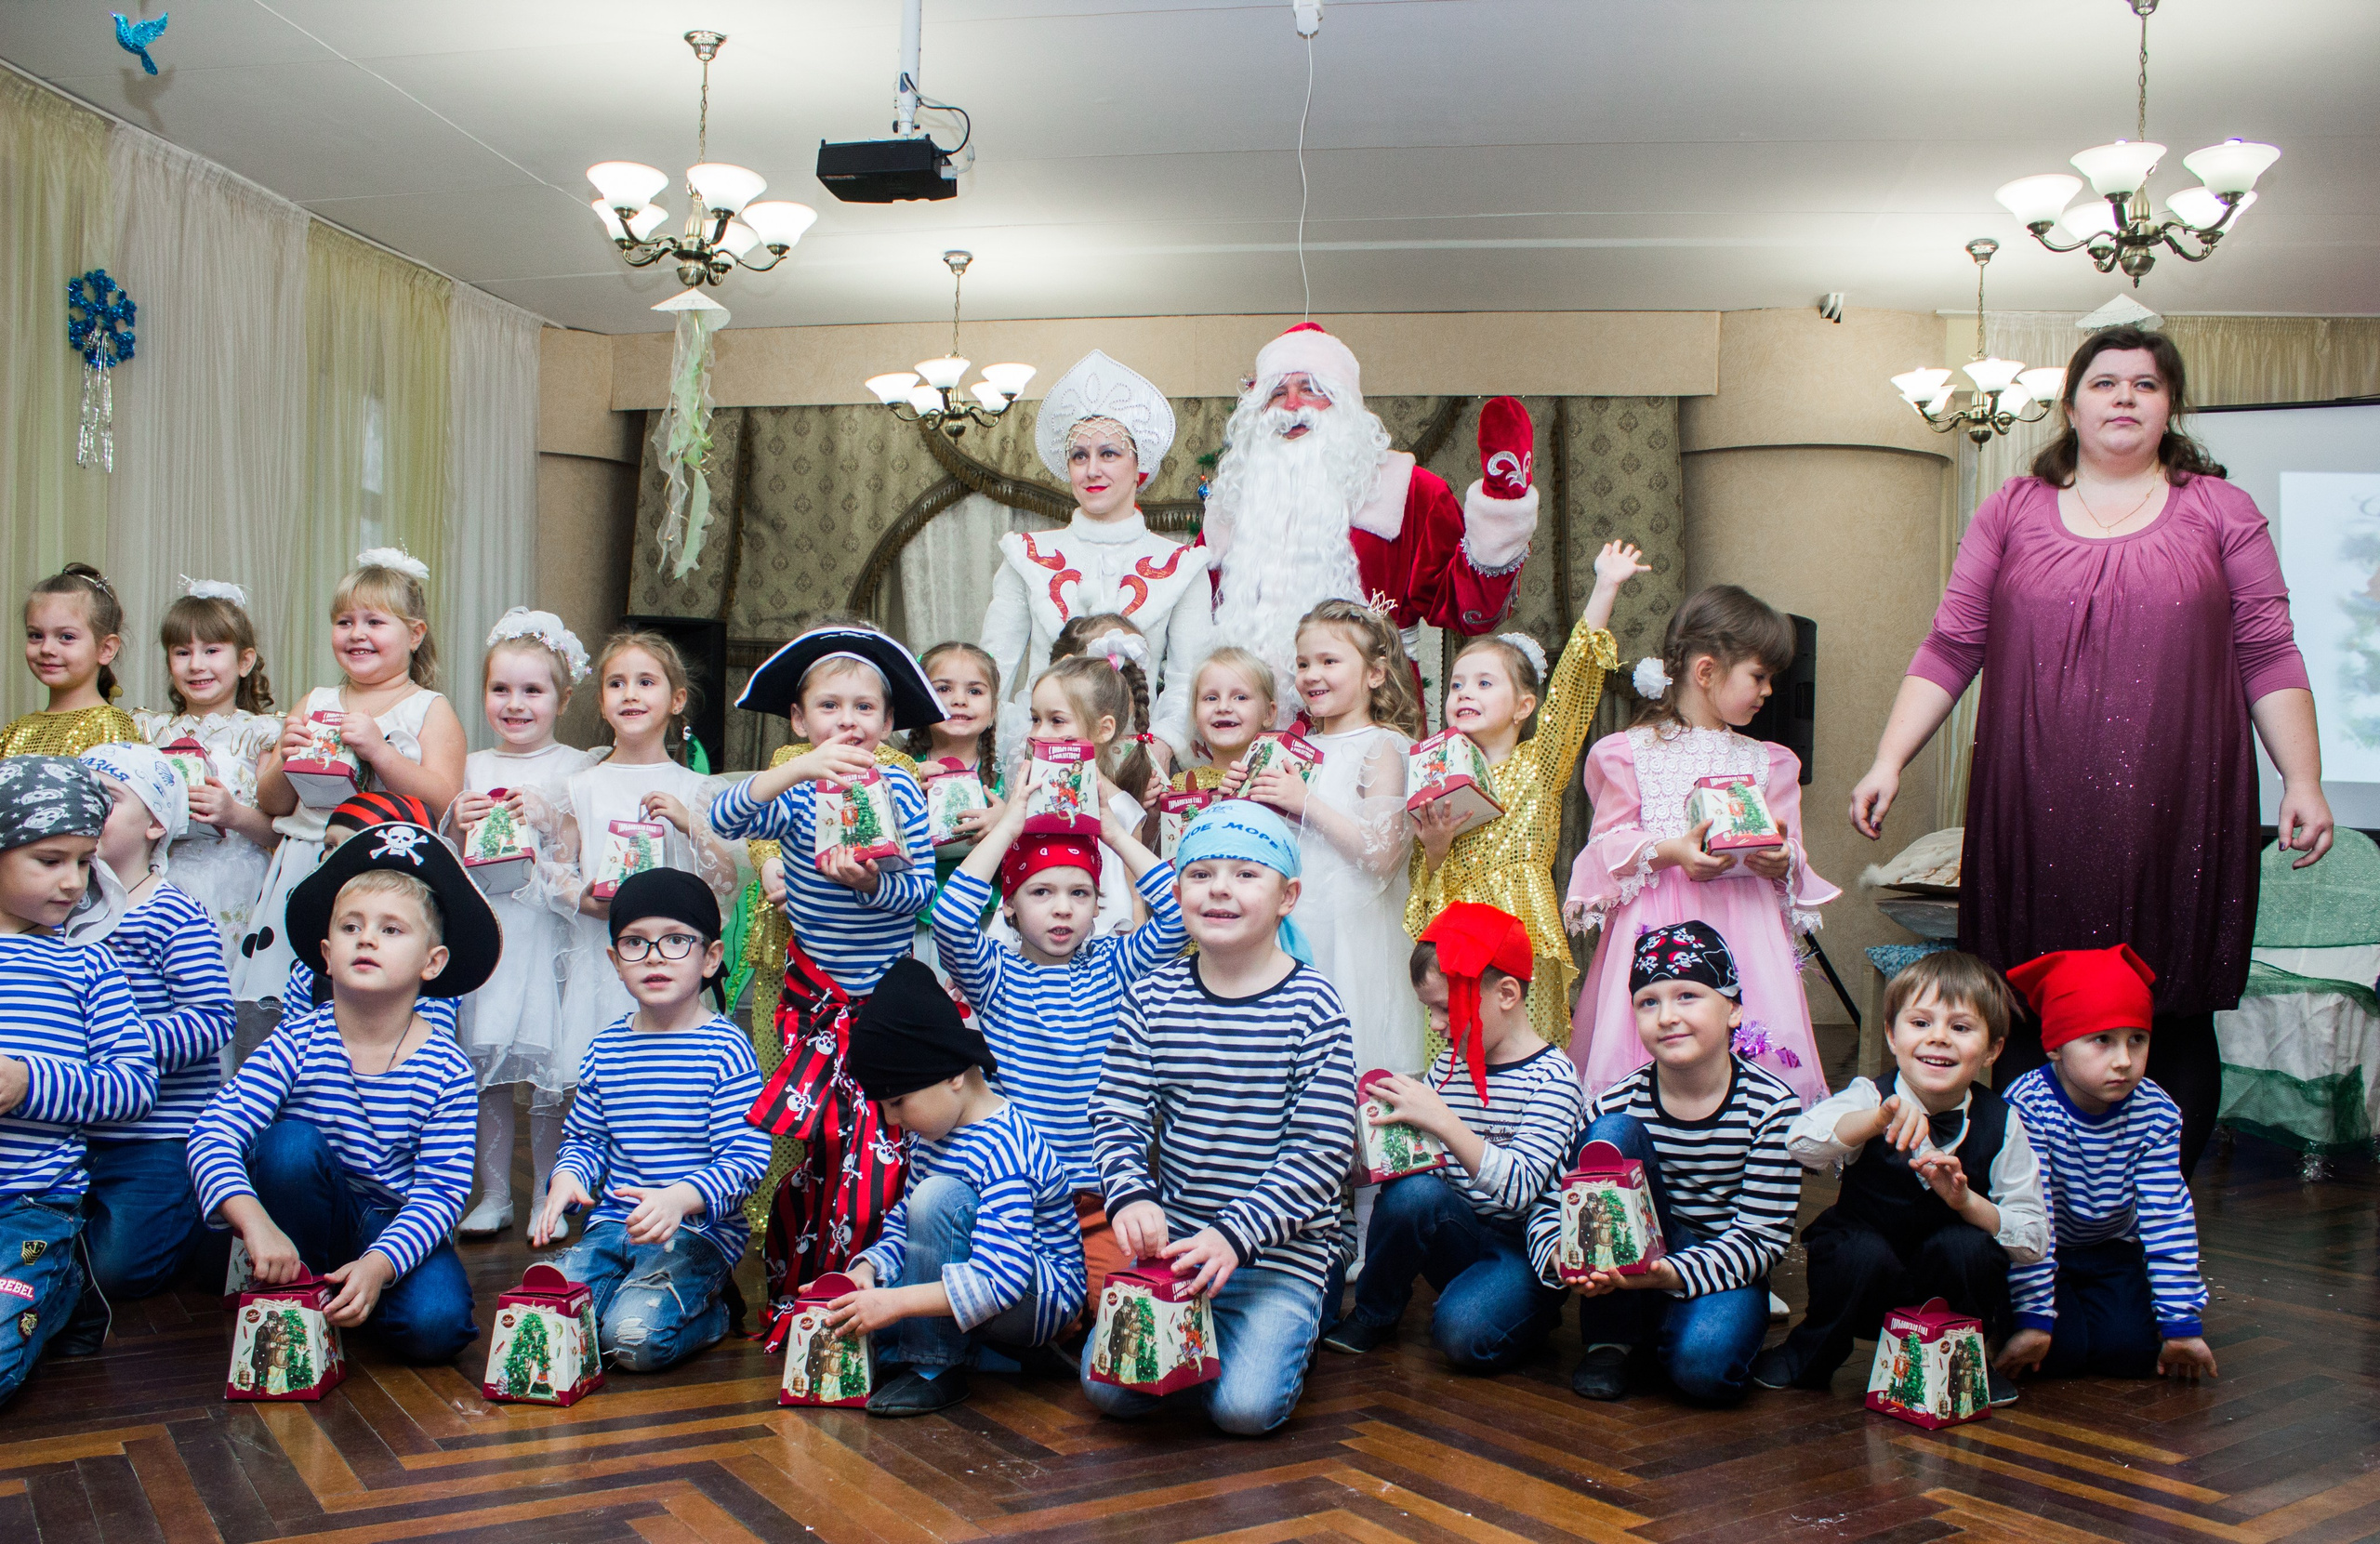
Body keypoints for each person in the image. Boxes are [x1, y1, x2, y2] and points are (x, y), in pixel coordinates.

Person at [1849, 325, 2328, 1177]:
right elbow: (1954, 644)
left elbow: (2269, 647)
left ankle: (2151, 1218)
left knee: (2170, 1012)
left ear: (2170, 405)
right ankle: (2035, 1215)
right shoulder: (2012, 510)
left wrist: (2304, 778)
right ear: (2070, 406)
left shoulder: (2224, 510)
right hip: (2034, 809)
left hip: (2181, 810)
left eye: (2146, 384)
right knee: (2026, 1008)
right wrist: (1890, 759)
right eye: (2106, 383)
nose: (2125, 398)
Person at [1081, 800, 1355, 1436]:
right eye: (1201, 873)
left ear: (1288, 896)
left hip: (1278, 1252)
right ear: (1176, 892)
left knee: (1243, 1410)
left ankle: (1303, 1315)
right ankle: (1208, 1340)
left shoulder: (1313, 1004)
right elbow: (1117, 1109)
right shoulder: (1152, 994)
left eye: (1245, 874)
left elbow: (1323, 1151)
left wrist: (1235, 1235)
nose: (1220, 889)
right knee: (1109, 1392)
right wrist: (1129, 1195)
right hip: (1181, 1246)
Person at [186, 815, 495, 1365]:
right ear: (327, 955)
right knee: (286, 1146)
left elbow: (441, 1195)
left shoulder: (445, 1067)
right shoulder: (299, 1038)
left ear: (433, 962)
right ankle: (298, 1288)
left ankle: (355, 1292)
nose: (367, 939)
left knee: (437, 1331)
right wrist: (255, 1225)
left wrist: (379, 1265)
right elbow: (213, 1131)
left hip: (396, 1226)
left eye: (391, 929)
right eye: (351, 927)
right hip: (306, 1216)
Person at [707, 625, 941, 1313]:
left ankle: (879, 1280)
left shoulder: (901, 791)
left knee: (884, 1144)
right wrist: (796, 770)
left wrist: (870, 885)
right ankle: (808, 1280)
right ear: (800, 720)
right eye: (831, 706)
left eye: (865, 707)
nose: (849, 720)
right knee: (821, 1145)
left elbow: (919, 893)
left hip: (886, 999)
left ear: (890, 723)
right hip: (812, 998)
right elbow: (725, 814)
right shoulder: (795, 794)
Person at [1567, 586, 1838, 1107]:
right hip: (1660, 927)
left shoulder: (1772, 762)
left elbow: (1793, 849)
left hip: (1746, 932)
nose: (1768, 692)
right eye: (1759, 677)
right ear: (1708, 671)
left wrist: (1783, 859)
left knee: (1748, 1074)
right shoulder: (1629, 754)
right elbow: (1606, 846)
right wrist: (1670, 850)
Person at [932, 765, 1184, 1299]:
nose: (1063, 907)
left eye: (1081, 893)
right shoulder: (995, 973)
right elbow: (952, 918)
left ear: (1098, 906)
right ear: (1009, 906)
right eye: (1040, 892)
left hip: (1099, 1195)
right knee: (1006, 1295)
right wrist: (1008, 829)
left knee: (1110, 1310)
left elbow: (1180, 917)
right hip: (1014, 1193)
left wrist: (1112, 834)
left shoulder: (1116, 965)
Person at [1753, 950, 2047, 1400]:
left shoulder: (2005, 1122)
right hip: (1865, 1292)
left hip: (1948, 1295)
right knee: (1855, 1248)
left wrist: (1967, 1204)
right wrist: (1876, 1118)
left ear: (1992, 1050)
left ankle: (1962, 1366)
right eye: (1921, 1023)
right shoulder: (1870, 1096)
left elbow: (2032, 1240)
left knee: (1966, 1245)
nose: (1940, 1039)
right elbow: (1801, 1142)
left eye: (1961, 1027)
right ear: (1892, 1036)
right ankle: (1813, 1353)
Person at [1530, 921, 1801, 1405]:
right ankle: (1611, 1338)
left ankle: (1673, 1327)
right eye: (1648, 1002)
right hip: (1625, 1270)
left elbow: (1762, 1237)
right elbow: (1552, 1201)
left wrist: (1667, 1274)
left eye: (1688, 996)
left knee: (1705, 1372)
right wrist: (1559, 1254)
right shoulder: (1613, 1103)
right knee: (1612, 1135)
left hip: (1721, 1265)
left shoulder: (1771, 1107)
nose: (1667, 1016)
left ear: (1734, 1008)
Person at [1201, 324, 1540, 707]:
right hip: (1247, 732)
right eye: (1277, 393)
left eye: (1311, 389)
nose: (1292, 405)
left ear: (1345, 402)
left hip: (1377, 721)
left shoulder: (1407, 490)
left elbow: (1471, 612)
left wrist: (1501, 509)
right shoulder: (1229, 506)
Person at [1408, 542, 1646, 1048]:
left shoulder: (1540, 763)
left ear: (1523, 707)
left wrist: (1605, 586)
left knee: (1525, 1057)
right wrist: (1433, 850)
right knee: (1452, 1060)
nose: (1464, 693)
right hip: (1454, 946)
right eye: (1456, 685)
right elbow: (1419, 901)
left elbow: (1574, 687)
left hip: (1521, 935)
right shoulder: (1431, 779)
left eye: (1484, 683)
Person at [1325, 904, 1581, 1369]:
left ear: (1506, 993)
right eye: (1430, 1010)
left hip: (1522, 1246)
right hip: (1458, 1230)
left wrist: (1442, 1120)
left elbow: (1519, 1194)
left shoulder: (1553, 1079)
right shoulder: (1449, 1064)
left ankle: (1527, 1312)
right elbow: (1418, 1168)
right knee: (1410, 1192)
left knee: (1462, 1336)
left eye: (1446, 1008)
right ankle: (1374, 1313)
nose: (1437, 1025)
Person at [534, 869, 771, 1372]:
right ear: (616, 962)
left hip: (694, 1236)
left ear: (710, 958)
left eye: (676, 941)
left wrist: (679, 1199)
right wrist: (568, 1178)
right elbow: (586, 1139)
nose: (656, 955)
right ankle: (622, 1289)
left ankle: (718, 1311)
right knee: (545, 1316)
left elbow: (747, 1158)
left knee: (630, 1341)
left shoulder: (725, 1048)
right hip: (610, 1228)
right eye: (636, 944)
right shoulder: (605, 1047)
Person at [833, 957, 1087, 1416]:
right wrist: (869, 1272)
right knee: (866, 1322)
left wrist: (896, 1302)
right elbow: (909, 1227)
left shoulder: (1006, 1146)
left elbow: (1001, 1278)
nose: (892, 1120)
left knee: (938, 1197)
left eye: (898, 1102)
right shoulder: (932, 1134)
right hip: (988, 1287)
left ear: (953, 1075)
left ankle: (935, 1367)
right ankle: (999, 1358)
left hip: (1037, 1295)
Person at [551, 630, 743, 1234]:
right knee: (601, 1084)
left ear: (677, 699)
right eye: (616, 682)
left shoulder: (694, 789)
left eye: (646, 681)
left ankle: (674, 1196)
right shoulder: (579, 786)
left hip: (673, 964)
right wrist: (587, 897)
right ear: (601, 698)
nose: (629, 693)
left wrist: (691, 825)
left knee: (672, 1084)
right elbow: (558, 867)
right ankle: (589, 1200)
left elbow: (725, 879)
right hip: (604, 956)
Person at [239, 548, 467, 1007]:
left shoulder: (429, 708)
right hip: (303, 864)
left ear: (415, 634)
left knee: (359, 1001)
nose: (357, 633)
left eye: (375, 622)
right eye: (344, 622)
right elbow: (273, 805)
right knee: (287, 996)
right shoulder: (316, 699)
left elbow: (445, 803)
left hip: (382, 875)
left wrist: (380, 753)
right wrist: (287, 756)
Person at [0, 757, 158, 1401]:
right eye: (48, 859)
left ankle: (64, 1288)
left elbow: (133, 1084)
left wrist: (26, 1083)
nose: (72, 881)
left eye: (83, 860)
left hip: (30, 1207)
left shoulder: (86, 964)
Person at [980, 350, 1213, 764]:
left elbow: (1188, 679)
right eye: (1079, 456)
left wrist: (1154, 753)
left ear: (1138, 465)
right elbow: (992, 669)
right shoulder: (1026, 555)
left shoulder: (1182, 564)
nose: (1092, 470)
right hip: (1041, 757)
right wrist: (1013, 753)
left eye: (1109, 453)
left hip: (1139, 763)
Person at [1996, 946, 2215, 1384]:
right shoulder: (2028, 1106)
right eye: (2102, 1040)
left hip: (2109, 1249)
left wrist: (2181, 1323)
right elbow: (2030, 1215)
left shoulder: (2156, 1112)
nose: (2123, 1060)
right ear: (2056, 1046)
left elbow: (2167, 1215)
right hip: (2036, 1247)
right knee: (2057, 1355)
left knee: (2130, 1355)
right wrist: (2036, 1317)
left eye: (2138, 1039)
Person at [73, 744, 235, 1313]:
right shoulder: (57, 911)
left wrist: (120, 1044)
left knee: (114, 1273)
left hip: (157, 1135)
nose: (88, 806)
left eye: (108, 797)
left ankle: (204, 1219)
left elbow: (214, 1019)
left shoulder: (172, 911)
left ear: (155, 823)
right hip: (73, 1132)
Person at [1228, 599, 1421, 1075]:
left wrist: (1304, 801)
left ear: (1375, 674)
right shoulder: (1294, 749)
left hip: (1358, 932)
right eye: (1302, 663)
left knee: (1353, 1061)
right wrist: (1238, 801)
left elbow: (1381, 855)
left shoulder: (1386, 746)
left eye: (1329, 662)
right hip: (1297, 926)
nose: (1312, 674)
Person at [453, 611, 598, 1236]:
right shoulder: (472, 764)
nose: (514, 704)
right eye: (500, 689)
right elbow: (450, 860)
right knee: (487, 1072)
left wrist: (550, 818)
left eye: (532, 690)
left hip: (547, 938)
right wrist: (454, 818)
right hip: (492, 937)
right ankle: (494, 1195)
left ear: (563, 698)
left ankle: (547, 1192)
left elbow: (584, 855)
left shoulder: (577, 767)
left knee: (548, 1078)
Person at [133, 577, 284, 982]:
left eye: (212, 650)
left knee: (222, 986)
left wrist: (232, 814)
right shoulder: (149, 732)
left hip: (236, 884)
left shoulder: (262, 735)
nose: (196, 664)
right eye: (182, 652)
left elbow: (279, 833)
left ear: (245, 660)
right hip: (162, 881)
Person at [1027, 646, 1162, 936]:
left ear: (1103, 729)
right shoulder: (1030, 797)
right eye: (1035, 719)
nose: (1038, 733)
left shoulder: (1123, 810)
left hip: (1105, 943)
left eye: (1057, 720)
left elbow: (1135, 896)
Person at [4, 564, 139, 757]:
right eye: (36, 635)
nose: (46, 649)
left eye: (66, 637)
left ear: (105, 649)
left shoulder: (110, 726)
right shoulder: (14, 732)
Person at [1174, 648, 1276, 793]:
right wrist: (1153, 815)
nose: (1223, 707)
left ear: (1268, 714)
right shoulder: (1182, 786)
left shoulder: (1277, 781)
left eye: (1240, 697)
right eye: (1211, 698)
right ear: (1195, 713)